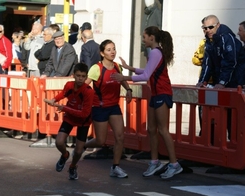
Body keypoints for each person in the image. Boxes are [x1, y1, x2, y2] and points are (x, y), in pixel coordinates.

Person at [115, 26, 182, 179]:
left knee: (162, 130)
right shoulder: (155, 52)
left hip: (162, 93)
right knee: (151, 129)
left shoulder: (156, 52)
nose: (143, 39)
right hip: (156, 93)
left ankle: (174, 164)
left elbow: (146, 75)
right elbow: (147, 71)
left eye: (144, 37)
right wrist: (129, 68)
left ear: (152, 38)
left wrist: (124, 77)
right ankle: (154, 161)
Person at [84, 39, 132, 178]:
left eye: (114, 49)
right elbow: (86, 85)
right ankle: (81, 146)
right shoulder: (96, 68)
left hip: (113, 106)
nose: (112, 52)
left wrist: (128, 89)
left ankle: (115, 167)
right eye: (109, 50)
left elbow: (121, 79)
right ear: (102, 53)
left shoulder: (117, 66)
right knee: (100, 141)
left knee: (120, 136)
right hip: (99, 107)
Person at [196, 15, 245, 140]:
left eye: (210, 27)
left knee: (234, 120)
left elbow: (230, 62)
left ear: (218, 26)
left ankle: (236, 150)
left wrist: (222, 82)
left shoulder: (227, 38)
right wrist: (202, 81)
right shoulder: (209, 42)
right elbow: (207, 64)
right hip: (224, 85)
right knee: (215, 117)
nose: (207, 30)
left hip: (236, 84)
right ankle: (212, 146)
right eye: (204, 28)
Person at [46, 63, 94, 180]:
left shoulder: (88, 91)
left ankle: (72, 166)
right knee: (59, 142)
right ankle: (65, 155)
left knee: (78, 152)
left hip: (83, 121)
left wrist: (65, 108)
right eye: (78, 76)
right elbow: (63, 94)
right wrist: (54, 99)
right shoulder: (69, 85)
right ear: (73, 75)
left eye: (83, 76)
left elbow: (84, 114)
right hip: (70, 118)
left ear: (87, 76)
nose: (80, 79)